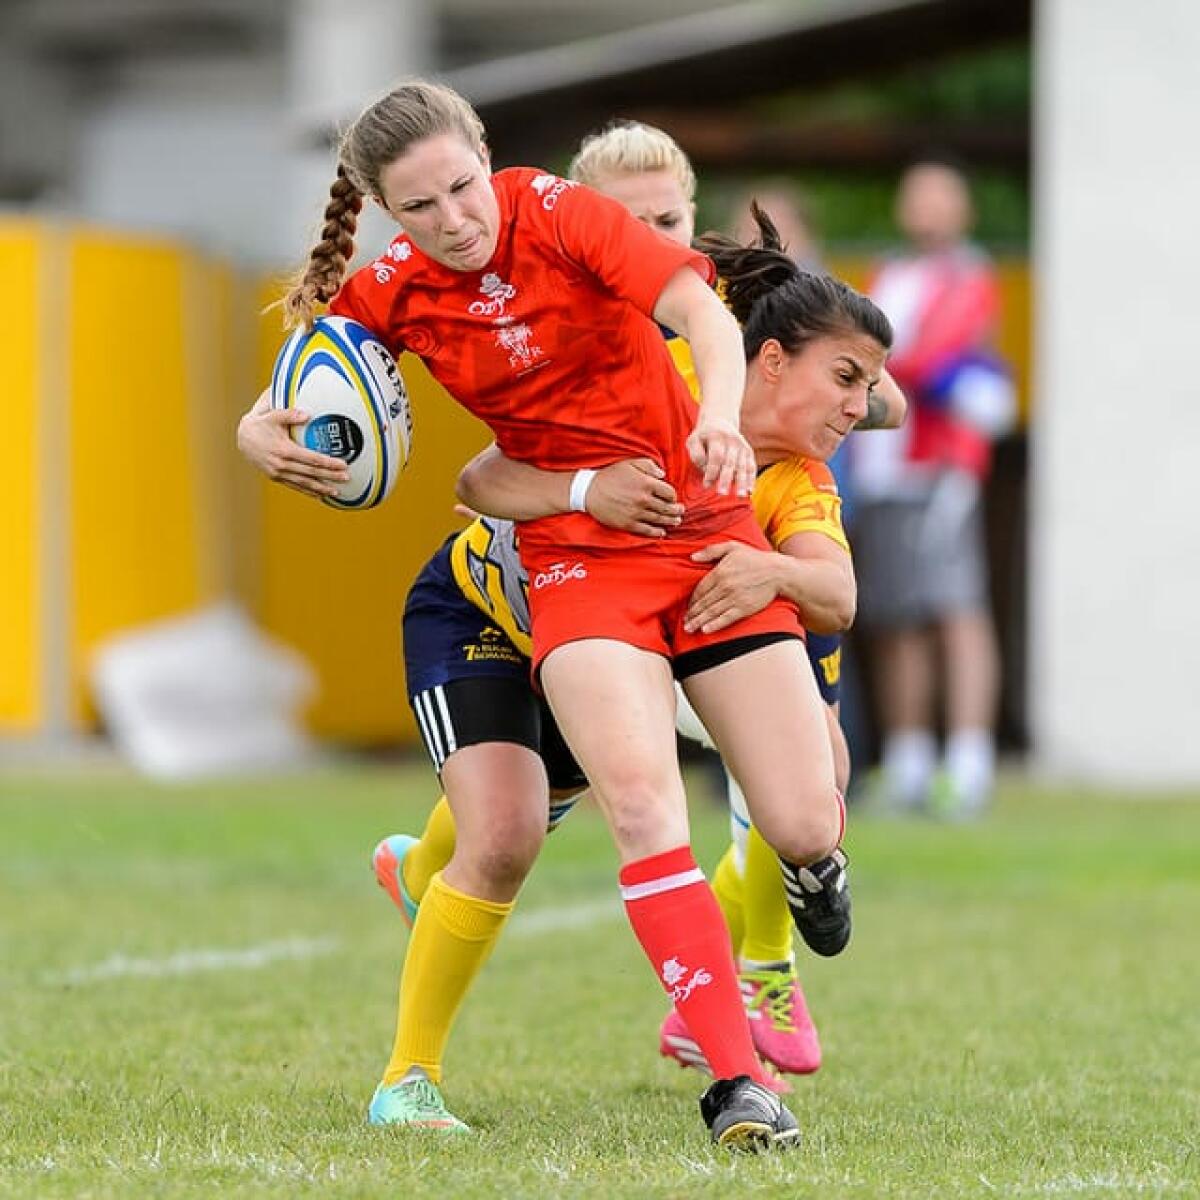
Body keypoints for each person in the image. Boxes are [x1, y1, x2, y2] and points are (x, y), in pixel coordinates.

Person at [239, 80, 862, 1150]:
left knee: (806, 815)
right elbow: (313, 384)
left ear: (489, 160)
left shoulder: (565, 215)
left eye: (463, 188)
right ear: (391, 214)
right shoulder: (394, 288)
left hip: (704, 530)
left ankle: (802, 876)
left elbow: (703, 315)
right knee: (636, 808)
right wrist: (257, 430)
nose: (456, 220)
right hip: (577, 568)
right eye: (421, 207)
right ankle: (736, 1084)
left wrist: (716, 420)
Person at [372, 123, 903, 1094]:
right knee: (513, 827)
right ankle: (417, 1032)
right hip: (542, 592)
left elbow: (873, 391)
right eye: (632, 220)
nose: (652, 234)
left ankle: (766, 971)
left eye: (670, 218)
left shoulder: (710, 311)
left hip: (696, 571)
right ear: (580, 224)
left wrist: (841, 393)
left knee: (810, 777)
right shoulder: (561, 317)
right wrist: (573, 488)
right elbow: (481, 476)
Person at [847, 159, 1015, 818]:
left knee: (955, 609)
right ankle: (911, 760)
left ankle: (967, 763)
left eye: (937, 197)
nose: (923, 208)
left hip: (941, 468)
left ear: (961, 210)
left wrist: (870, 365)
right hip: (884, 467)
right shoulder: (889, 275)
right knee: (893, 618)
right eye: (915, 196)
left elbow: (932, 357)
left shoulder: (969, 276)